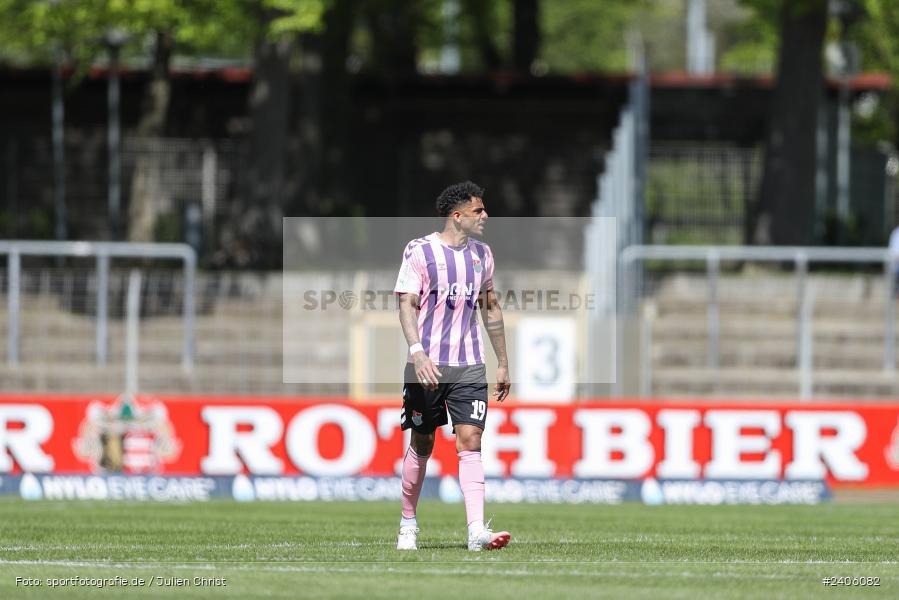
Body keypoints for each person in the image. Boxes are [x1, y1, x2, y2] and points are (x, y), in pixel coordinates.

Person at [393, 181, 512, 552]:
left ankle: (476, 529)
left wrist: (503, 363)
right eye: (479, 211)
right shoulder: (420, 251)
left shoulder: (483, 255)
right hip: (426, 366)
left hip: (470, 365)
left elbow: (490, 307)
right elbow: (406, 304)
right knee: (423, 440)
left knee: (471, 440)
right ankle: (408, 522)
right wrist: (417, 351)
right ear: (457, 216)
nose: (485, 216)